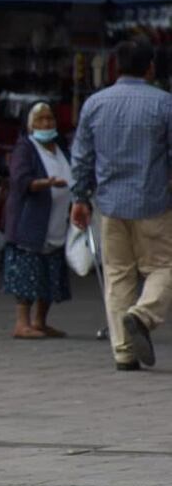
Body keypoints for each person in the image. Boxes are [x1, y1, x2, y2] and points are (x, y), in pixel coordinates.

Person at [72, 38, 172, 371]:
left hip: (110, 205)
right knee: (164, 267)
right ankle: (142, 315)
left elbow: (82, 156)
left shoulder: (95, 104)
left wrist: (79, 197)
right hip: (154, 203)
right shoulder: (164, 104)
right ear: (150, 67)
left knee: (118, 276)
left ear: (116, 66)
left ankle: (124, 353)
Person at [3, 102, 72, 339]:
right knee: (27, 273)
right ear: (30, 124)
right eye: (40, 119)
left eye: (50, 118)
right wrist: (47, 183)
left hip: (56, 221)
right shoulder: (25, 148)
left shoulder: (60, 147)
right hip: (30, 222)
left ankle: (40, 321)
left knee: (50, 272)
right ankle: (22, 323)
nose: (46, 123)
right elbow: (20, 181)